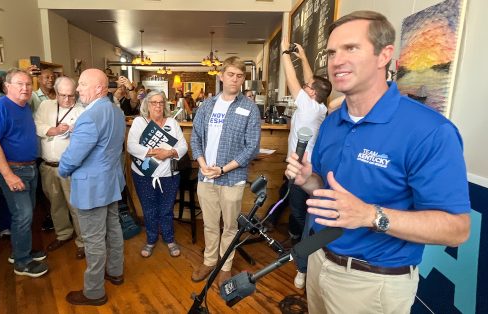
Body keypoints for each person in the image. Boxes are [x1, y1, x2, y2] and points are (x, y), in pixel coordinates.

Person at [285, 11, 470, 313]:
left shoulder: (430, 131)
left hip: (374, 283)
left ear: (384, 55)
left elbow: (456, 229)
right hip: (320, 263)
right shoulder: (332, 124)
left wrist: (370, 215)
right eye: (332, 52)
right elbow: (330, 196)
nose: (336, 60)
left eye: (351, 48)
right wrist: (309, 181)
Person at [190, 56, 261, 286]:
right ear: (221, 76)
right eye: (230, 74)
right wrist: (203, 165)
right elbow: (196, 139)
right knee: (210, 224)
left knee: (230, 226)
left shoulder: (249, 108)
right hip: (206, 176)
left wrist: (223, 169)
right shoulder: (207, 106)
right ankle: (210, 261)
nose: (235, 79)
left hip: (233, 178)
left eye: (240, 76)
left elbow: (252, 147)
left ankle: (225, 266)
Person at [59, 68, 126, 306]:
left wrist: (62, 170)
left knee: (93, 239)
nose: (78, 89)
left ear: (98, 88)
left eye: (82, 84)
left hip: (91, 187)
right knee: (113, 229)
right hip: (111, 182)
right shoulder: (116, 112)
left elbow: (74, 156)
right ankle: (115, 272)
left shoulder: (89, 116)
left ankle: (94, 292)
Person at [270, 39, 332, 289]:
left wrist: (286, 52)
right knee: (300, 211)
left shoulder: (308, 104)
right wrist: (304, 56)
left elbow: (293, 79)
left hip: (303, 172)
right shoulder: (319, 106)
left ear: (312, 93)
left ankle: (300, 260)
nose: (304, 88)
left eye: (308, 87)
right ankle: (302, 255)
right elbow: (310, 81)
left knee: (300, 214)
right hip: (309, 169)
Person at [0, 68, 48, 278]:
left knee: (25, 215)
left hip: (30, 167)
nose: (25, 88)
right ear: (6, 87)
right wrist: (8, 175)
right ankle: (22, 262)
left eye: (29, 84)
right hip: (13, 169)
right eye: (20, 84)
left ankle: (22, 251)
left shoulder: (25, 106)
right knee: (23, 215)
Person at [127, 91, 188, 258]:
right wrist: (155, 152)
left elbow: (183, 146)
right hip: (143, 175)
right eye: (154, 102)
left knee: (166, 209)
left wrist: (168, 153)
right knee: (149, 209)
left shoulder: (172, 123)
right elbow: (131, 146)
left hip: (169, 175)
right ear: (147, 104)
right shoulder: (140, 122)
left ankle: (169, 239)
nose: (158, 106)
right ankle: (151, 239)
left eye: (161, 102)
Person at [34, 77, 86, 259]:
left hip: (71, 168)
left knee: (76, 207)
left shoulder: (82, 110)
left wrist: (75, 131)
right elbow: (37, 125)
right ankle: (63, 234)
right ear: (55, 93)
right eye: (62, 95)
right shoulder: (45, 106)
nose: (66, 100)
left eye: (71, 95)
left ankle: (83, 242)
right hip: (48, 165)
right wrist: (53, 130)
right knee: (56, 205)